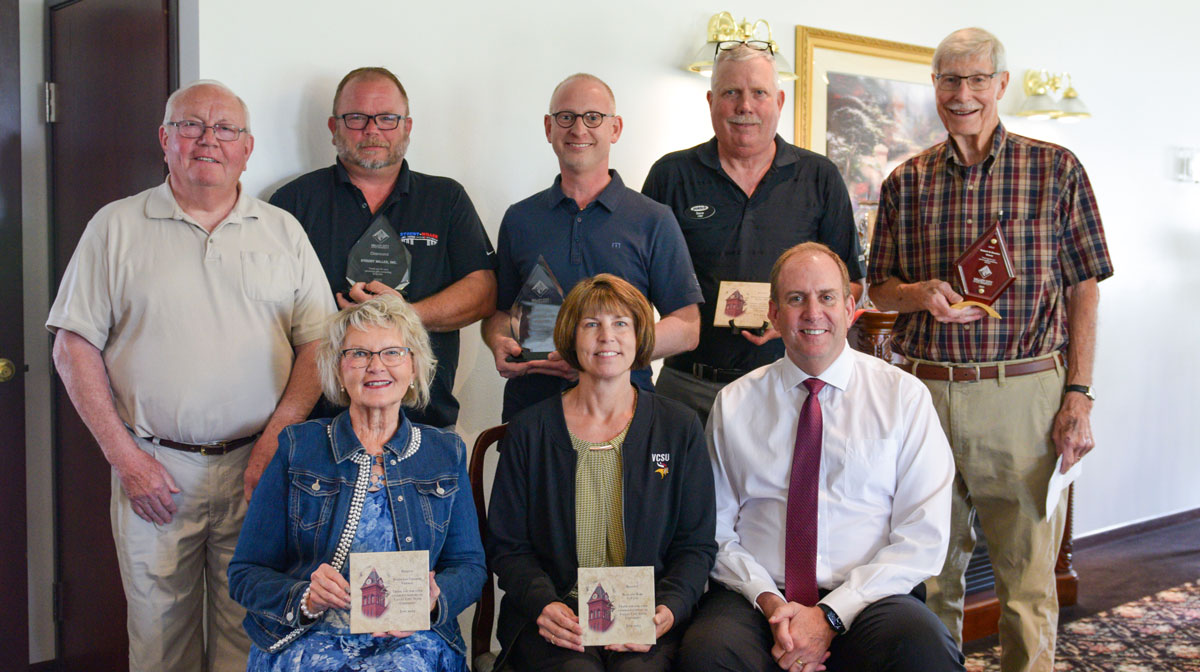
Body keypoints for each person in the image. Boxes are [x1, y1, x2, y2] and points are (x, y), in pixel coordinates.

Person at [46, 80, 335, 672]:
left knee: (249, 630)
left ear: (248, 147)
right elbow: (73, 347)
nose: (209, 140)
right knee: (158, 641)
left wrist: (279, 435)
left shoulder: (283, 232)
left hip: (258, 466)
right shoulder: (115, 227)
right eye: (191, 125)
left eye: (225, 128)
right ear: (165, 139)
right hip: (154, 471)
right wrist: (126, 459)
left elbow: (318, 345)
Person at [867, 27, 1113, 672]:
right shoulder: (905, 182)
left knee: (1027, 581)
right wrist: (916, 294)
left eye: (977, 79)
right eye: (950, 79)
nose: (963, 93)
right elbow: (878, 287)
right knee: (930, 574)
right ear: (935, 87)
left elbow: (1085, 289)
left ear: (1002, 85)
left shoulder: (1056, 170)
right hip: (923, 394)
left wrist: (1079, 396)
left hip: (1023, 393)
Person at [680, 243, 963, 672]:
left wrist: (831, 615)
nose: (813, 313)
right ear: (774, 315)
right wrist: (772, 602)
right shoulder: (735, 403)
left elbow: (923, 537)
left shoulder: (903, 397)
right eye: (796, 299)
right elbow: (714, 528)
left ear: (850, 309)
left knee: (924, 648)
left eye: (827, 297)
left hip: (868, 597)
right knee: (707, 653)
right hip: (759, 596)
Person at [228, 294, 486, 671]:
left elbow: (470, 566)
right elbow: (245, 573)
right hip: (309, 635)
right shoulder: (299, 447)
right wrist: (304, 597)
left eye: (393, 352)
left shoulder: (445, 452)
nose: (375, 366)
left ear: (414, 366)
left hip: (411, 638)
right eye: (359, 354)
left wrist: (433, 600)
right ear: (338, 369)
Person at [487, 274, 717, 671]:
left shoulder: (679, 427)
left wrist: (670, 609)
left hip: (644, 614)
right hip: (558, 616)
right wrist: (545, 604)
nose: (606, 336)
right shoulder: (529, 430)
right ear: (571, 337)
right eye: (591, 324)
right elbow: (508, 546)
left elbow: (695, 545)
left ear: (639, 335)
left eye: (620, 323)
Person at [642, 42, 863, 426]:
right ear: (711, 101)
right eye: (731, 93)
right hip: (686, 386)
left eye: (758, 93)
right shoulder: (671, 176)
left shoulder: (819, 177)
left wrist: (791, 322)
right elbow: (635, 288)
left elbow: (852, 288)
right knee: (678, 488)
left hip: (787, 384)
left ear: (778, 100)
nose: (745, 106)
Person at [271, 66, 497, 429]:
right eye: (357, 118)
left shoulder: (446, 199)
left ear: (407, 127)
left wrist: (404, 314)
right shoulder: (293, 203)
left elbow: (484, 291)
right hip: (318, 426)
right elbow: (268, 310)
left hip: (425, 422)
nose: (372, 130)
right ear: (334, 128)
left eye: (387, 118)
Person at [483, 73, 702, 421]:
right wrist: (498, 341)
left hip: (623, 415)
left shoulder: (653, 219)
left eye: (593, 118)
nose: (579, 129)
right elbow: (500, 314)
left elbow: (688, 327)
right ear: (548, 128)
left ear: (615, 129)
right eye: (566, 117)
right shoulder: (519, 219)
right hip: (532, 411)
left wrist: (602, 354)